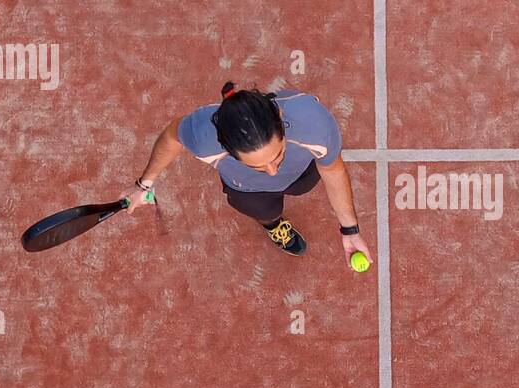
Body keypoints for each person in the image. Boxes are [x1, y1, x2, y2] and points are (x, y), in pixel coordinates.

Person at [123, 80, 371, 264]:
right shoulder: (202, 136)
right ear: (225, 147)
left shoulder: (314, 123)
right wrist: (144, 184)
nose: (272, 172)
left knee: (303, 186)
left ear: (280, 116)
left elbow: (333, 170)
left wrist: (350, 230)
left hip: (302, 173)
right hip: (248, 191)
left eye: (277, 155)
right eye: (257, 165)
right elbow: (170, 138)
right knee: (266, 213)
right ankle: (274, 226)